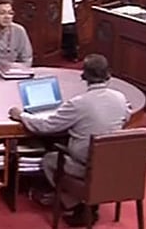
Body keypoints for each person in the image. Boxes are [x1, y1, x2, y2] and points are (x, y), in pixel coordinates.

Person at [8, 54, 130, 225]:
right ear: (108, 74)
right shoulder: (120, 98)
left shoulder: (79, 103)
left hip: (85, 165)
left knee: (50, 159)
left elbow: (46, 127)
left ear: (83, 75)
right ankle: (88, 201)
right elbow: (126, 116)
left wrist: (21, 115)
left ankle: (79, 202)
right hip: (115, 162)